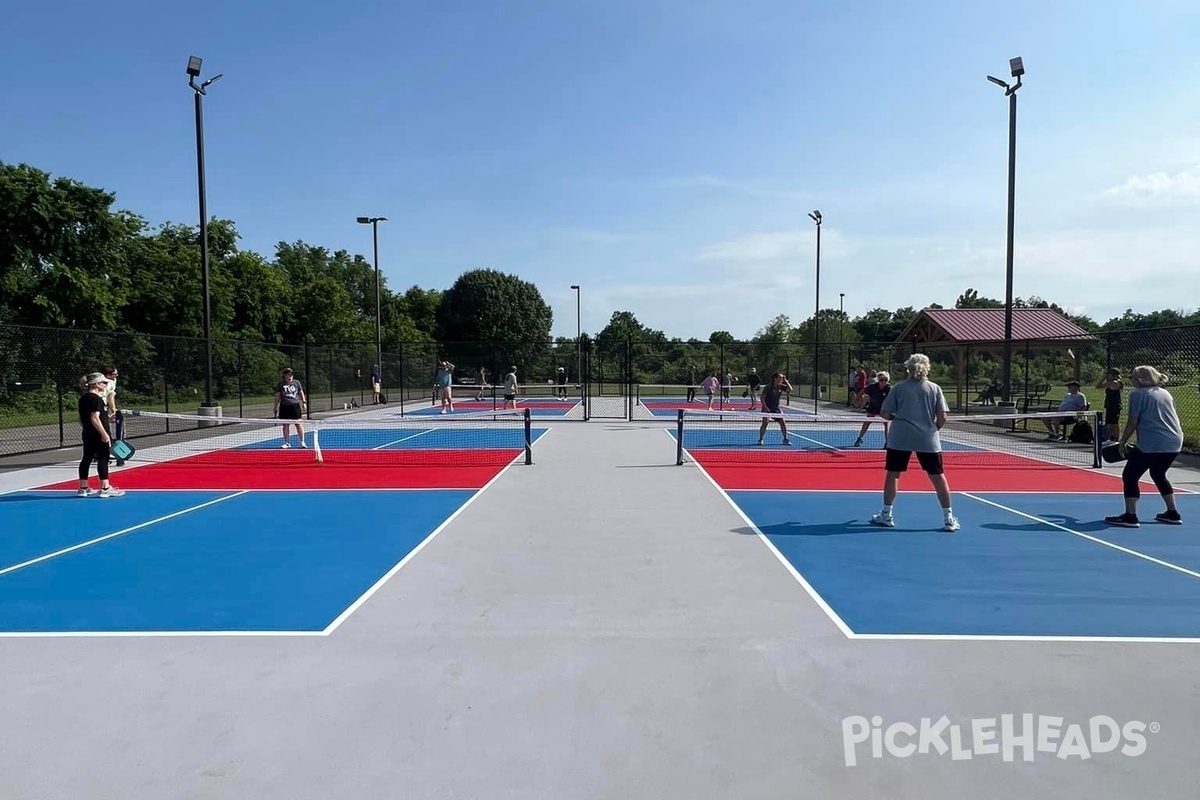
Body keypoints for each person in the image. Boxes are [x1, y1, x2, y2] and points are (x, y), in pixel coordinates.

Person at [869, 353, 959, 532]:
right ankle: (948, 519)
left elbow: (885, 413)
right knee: (938, 477)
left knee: (893, 474)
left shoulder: (899, 388)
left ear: (908, 368)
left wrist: (899, 417)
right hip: (928, 440)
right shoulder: (935, 388)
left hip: (900, 438)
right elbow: (942, 417)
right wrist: (931, 430)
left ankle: (886, 514)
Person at [1105, 365, 1184, 527]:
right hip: (1174, 441)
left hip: (1153, 442)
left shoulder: (1138, 394)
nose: (1131, 380)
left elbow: (1132, 422)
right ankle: (1173, 513)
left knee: (1130, 476)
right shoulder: (1165, 393)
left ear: (1139, 379)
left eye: (1132, 377)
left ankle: (1130, 516)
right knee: (1158, 473)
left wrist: (1123, 441)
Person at [77, 372, 123, 498]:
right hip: (98, 434)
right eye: (104, 382)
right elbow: (94, 418)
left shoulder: (84, 398)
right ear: (96, 384)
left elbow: (86, 418)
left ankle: (83, 487)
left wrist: (107, 418)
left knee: (86, 458)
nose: (106, 384)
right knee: (103, 458)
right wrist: (104, 434)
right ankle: (105, 488)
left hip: (87, 433)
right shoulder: (96, 399)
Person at [853, 371, 891, 447]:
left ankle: (887, 443)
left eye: (885, 380)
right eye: (881, 380)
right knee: (867, 422)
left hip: (884, 408)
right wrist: (857, 398)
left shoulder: (890, 389)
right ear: (878, 380)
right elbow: (863, 390)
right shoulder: (872, 387)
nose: (883, 382)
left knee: (886, 424)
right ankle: (860, 438)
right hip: (873, 406)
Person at [273, 368, 308, 449]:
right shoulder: (281, 384)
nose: (290, 376)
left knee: (298, 424)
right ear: (284, 375)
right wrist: (275, 406)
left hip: (295, 406)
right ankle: (287, 443)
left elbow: (301, 392)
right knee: (285, 425)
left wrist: (304, 402)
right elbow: (278, 395)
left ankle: (302, 442)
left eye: (291, 375)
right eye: (288, 375)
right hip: (284, 406)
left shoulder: (297, 382)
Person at [756, 372, 792, 446]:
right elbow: (762, 398)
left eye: (782, 378)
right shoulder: (768, 387)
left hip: (776, 408)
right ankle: (760, 439)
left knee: (782, 422)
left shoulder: (781, 386)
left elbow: (790, 389)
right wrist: (765, 407)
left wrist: (786, 381)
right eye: (780, 377)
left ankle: (785, 439)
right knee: (765, 423)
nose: (781, 379)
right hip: (767, 407)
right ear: (775, 378)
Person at [100, 364, 125, 466]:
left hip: (103, 408)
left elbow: (110, 395)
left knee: (104, 432)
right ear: (107, 375)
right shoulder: (99, 382)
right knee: (101, 433)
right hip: (96, 407)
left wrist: (114, 409)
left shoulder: (113, 381)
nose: (117, 375)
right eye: (115, 374)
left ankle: (101, 454)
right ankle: (102, 454)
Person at [1096, 368, 1123, 442]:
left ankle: (1113, 438)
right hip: (1111, 405)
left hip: (1113, 405)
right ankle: (1112, 437)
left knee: (1112, 423)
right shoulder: (1114, 382)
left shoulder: (1113, 382)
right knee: (1111, 423)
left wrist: (1103, 378)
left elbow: (1098, 386)